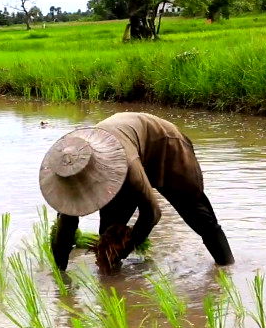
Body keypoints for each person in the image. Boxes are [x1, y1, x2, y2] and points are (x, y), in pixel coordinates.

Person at [38, 112, 234, 272]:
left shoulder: (128, 166)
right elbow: (65, 227)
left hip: (164, 144)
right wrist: (60, 273)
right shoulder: (69, 173)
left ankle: (227, 268)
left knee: (199, 216)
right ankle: (114, 284)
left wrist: (125, 248)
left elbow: (152, 213)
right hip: (123, 143)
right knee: (108, 233)